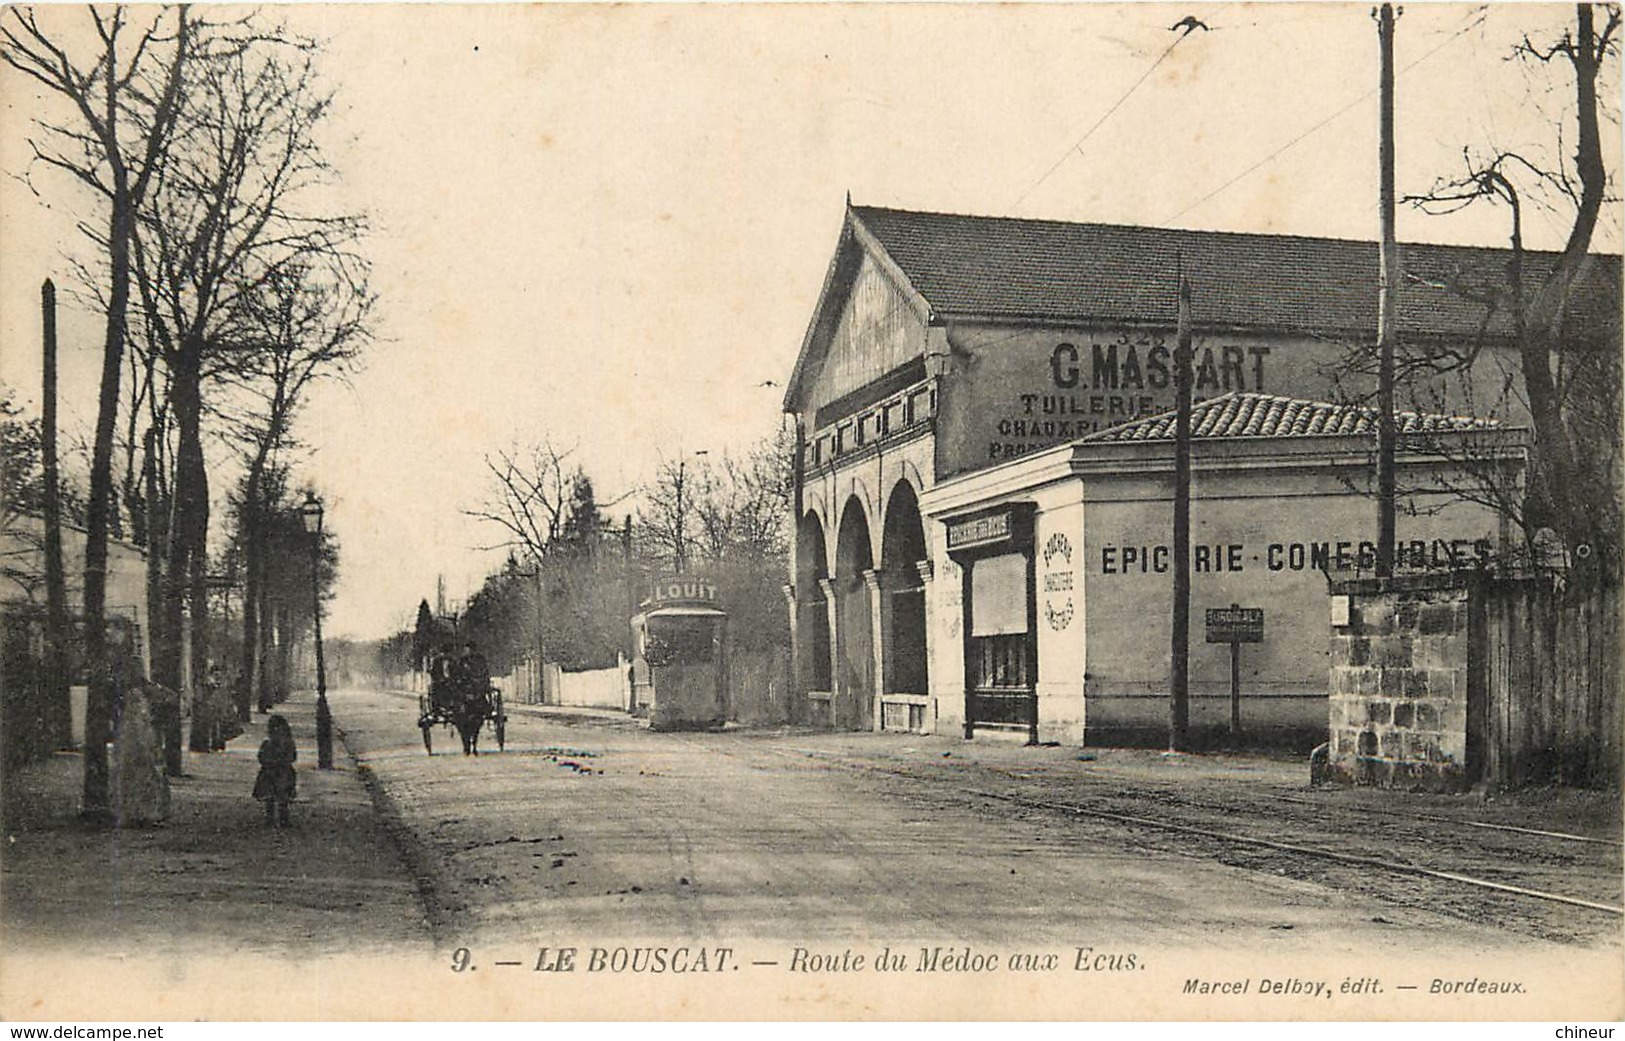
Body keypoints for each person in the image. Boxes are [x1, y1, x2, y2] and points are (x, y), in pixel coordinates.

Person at [253, 715, 298, 827]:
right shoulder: (269, 743)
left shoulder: (286, 744)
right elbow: (261, 757)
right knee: (271, 797)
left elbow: (292, 757)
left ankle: (282, 819)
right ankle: (272, 819)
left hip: (280, 772)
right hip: (273, 772)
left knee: (282, 797)